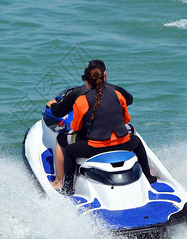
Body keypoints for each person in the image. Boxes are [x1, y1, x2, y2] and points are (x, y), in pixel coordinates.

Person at [57, 63, 156, 195]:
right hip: (123, 143)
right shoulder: (118, 94)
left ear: (87, 82)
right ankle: (148, 176)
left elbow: (75, 127)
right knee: (137, 142)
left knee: (69, 150)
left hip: (96, 148)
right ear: (104, 77)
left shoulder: (82, 100)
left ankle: (67, 188)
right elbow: (126, 119)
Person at [45, 60, 133, 191]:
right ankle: (143, 168)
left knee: (61, 140)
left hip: (93, 143)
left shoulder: (77, 94)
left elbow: (60, 114)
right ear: (105, 74)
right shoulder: (116, 91)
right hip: (119, 140)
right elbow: (129, 100)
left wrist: (52, 104)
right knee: (131, 129)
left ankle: (59, 182)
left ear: (87, 79)